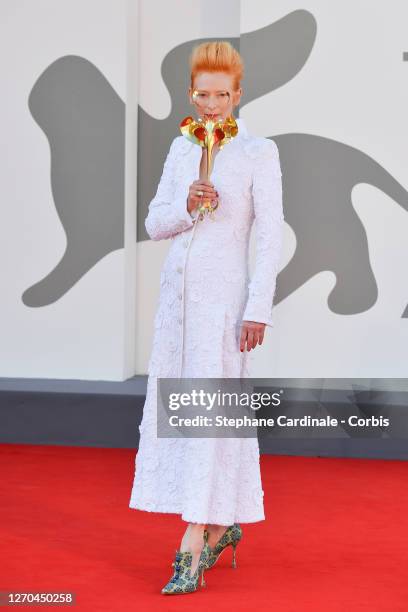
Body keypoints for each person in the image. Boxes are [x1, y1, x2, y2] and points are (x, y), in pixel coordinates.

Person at [129, 41, 284, 595]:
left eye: (222, 94)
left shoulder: (258, 153)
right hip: (178, 303)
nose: (212, 104)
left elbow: (269, 238)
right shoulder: (179, 150)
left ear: (238, 95)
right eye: (203, 94)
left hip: (224, 305)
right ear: (191, 94)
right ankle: (220, 524)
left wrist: (257, 307)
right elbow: (155, 224)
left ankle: (193, 540)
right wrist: (186, 205)